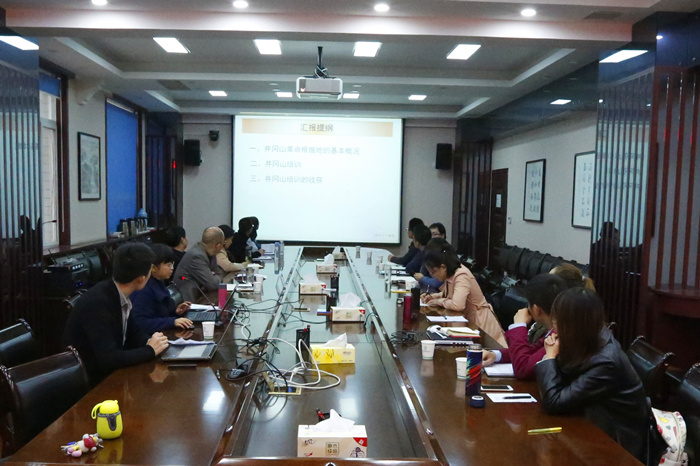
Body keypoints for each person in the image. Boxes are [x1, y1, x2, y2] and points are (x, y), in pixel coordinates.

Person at [535, 288, 652, 463]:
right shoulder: (590, 339)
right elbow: (565, 382)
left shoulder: (606, 362)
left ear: (574, 324)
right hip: (590, 426)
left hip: (616, 446)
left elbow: (554, 401)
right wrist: (555, 357)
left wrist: (550, 357)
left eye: (558, 321)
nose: (554, 327)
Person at [62, 243, 169, 385]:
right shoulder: (98, 302)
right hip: (90, 383)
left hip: (110, 375)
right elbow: (109, 359)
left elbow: (134, 334)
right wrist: (150, 350)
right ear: (141, 279)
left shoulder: (118, 294)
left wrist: (151, 341)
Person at [482, 274, 568, 379]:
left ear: (536, 309)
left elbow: (522, 368)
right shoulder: (557, 328)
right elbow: (531, 351)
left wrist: (519, 325)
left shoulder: (562, 334)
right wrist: (495, 355)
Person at [421, 244, 507, 347]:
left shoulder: (461, 275)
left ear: (443, 267)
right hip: (469, 321)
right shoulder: (451, 274)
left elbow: (458, 304)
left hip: (481, 324)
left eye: (433, 272)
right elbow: (452, 294)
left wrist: (438, 301)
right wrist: (433, 296)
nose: (432, 275)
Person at [131, 244, 193, 335]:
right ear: (153, 268)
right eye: (168, 265)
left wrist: (175, 312)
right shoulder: (143, 290)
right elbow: (140, 323)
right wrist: (172, 322)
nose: (172, 268)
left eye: (172, 264)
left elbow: (160, 314)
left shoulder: (159, 283)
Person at [174, 226, 225, 302]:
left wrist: (214, 276)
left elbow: (218, 274)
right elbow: (213, 284)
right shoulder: (197, 256)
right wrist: (214, 276)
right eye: (223, 244)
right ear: (218, 245)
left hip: (201, 295)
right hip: (189, 300)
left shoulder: (210, 253)